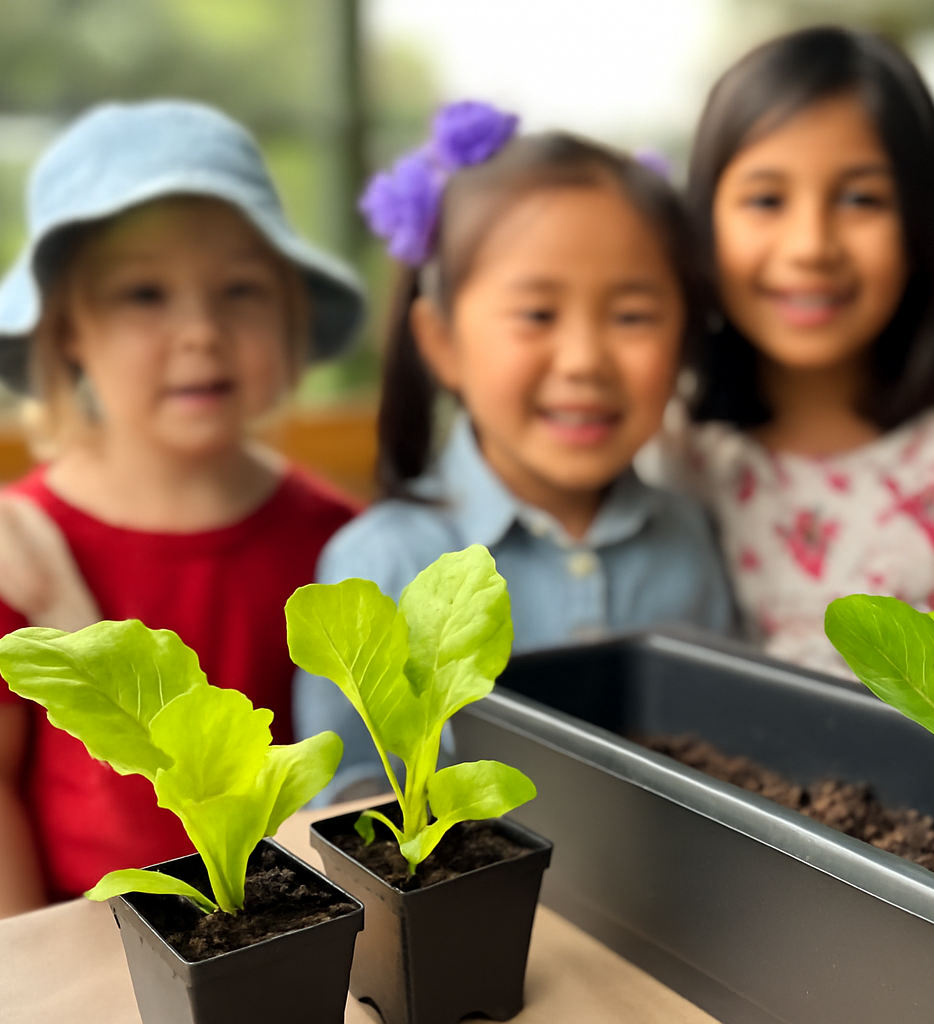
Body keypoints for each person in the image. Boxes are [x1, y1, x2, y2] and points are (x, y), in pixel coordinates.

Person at [0, 100, 366, 923]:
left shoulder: (339, 541)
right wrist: (20, 963)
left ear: (290, 320)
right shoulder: (8, 556)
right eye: (144, 294)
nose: (200, 331)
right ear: (67, 336)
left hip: (286, 950)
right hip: (83, 954)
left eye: (240, 289)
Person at [295, 102, 736, 803]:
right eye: (537, 314)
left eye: (632, 316)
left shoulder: (691, 539)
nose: (586, 361)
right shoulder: (379, 565)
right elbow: (346, 804)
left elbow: (726, 763)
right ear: (441, 342)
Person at [663, 26, 934, 715]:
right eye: (766, 200)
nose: (811, 245)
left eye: (860, 200)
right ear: (704, 229)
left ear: (922, 229)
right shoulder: (676, 447)